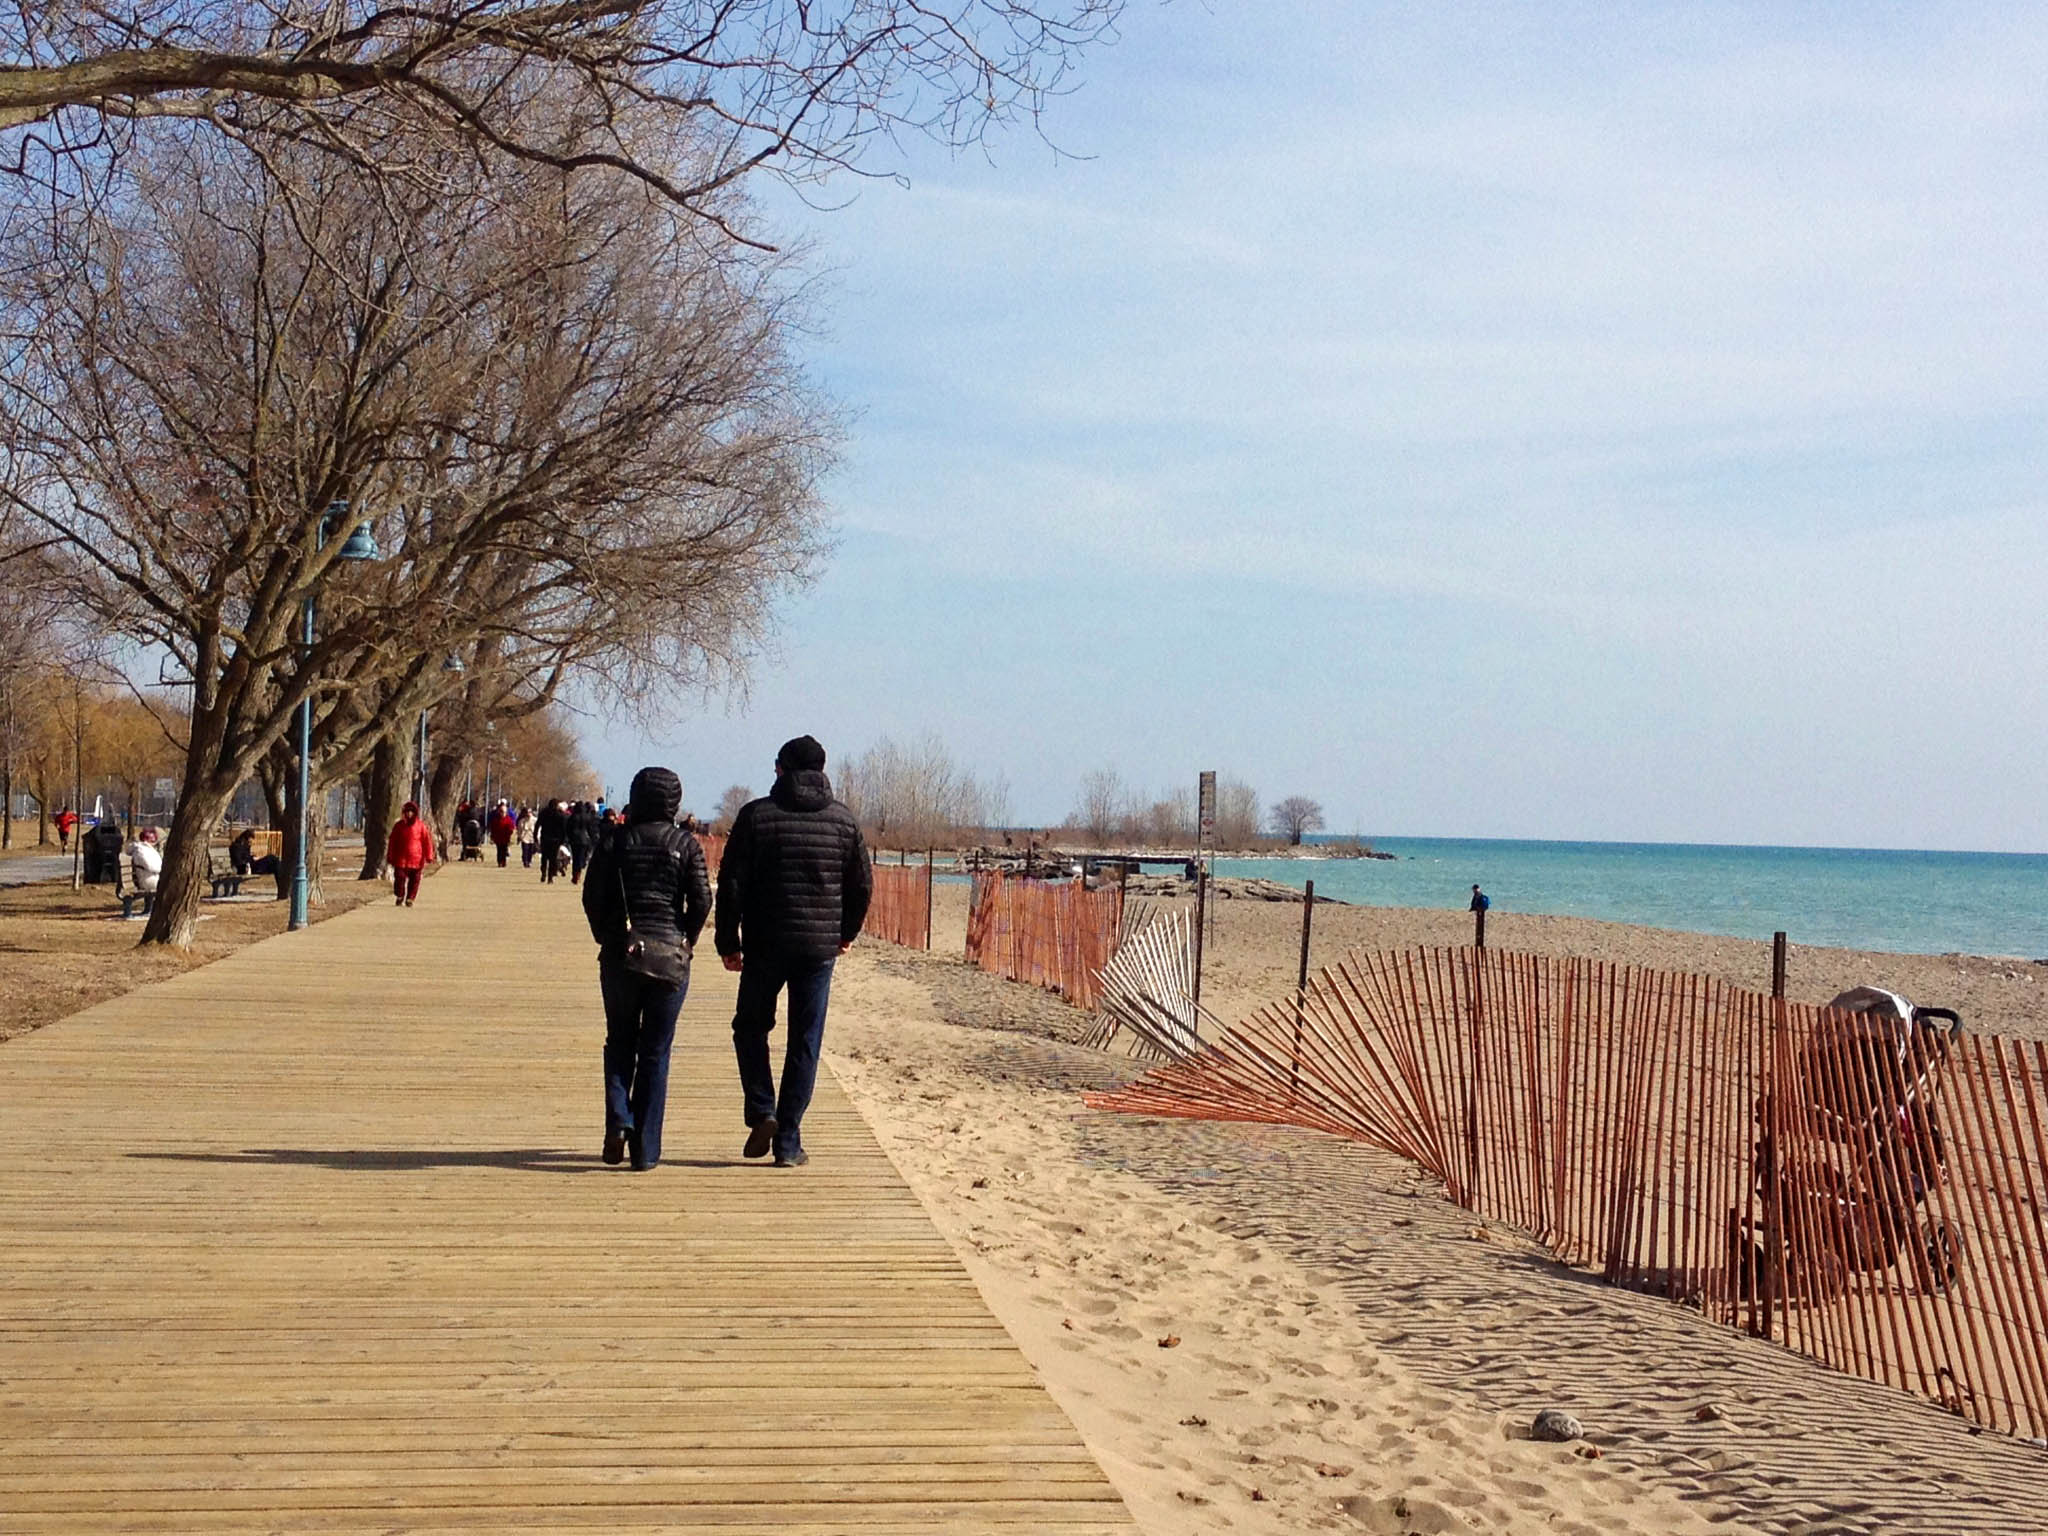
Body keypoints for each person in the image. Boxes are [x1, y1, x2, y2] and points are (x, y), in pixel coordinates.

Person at [715, 735, 872, 1168]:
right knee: (805, 1040)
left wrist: (728, 942)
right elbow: (861, 885)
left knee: (749, 1028)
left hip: (765, 943)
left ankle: (762, 1109)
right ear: (822, 772)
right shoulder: (843, 821)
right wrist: (846, 933)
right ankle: (788, 1140)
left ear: (782, 769)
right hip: (818, 948)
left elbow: (731, 884)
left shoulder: (755, 816)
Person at [582, 767, 711, 1172]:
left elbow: (592, 896)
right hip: (669, 957)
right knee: (655, 1051)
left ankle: (620, 1119)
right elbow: (703, 900)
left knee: (620, 1041)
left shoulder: (615, 841)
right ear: (674, 801)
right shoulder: (686, 844)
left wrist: (606, 936)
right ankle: (646, 1149)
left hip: (622, 955)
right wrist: (686, 939)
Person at [386, 800, 436, 905]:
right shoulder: (398, 826)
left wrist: (429, 855)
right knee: (399, 878)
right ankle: (400, 895)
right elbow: (392, 841)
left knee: (415, 880)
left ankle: (410, 898)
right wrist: (390, 856)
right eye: (407, 812)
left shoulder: (421, 826)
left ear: (415, 813)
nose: (409, 814)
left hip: (417, 859)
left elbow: (427, 841)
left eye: (411, 812)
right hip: (400, 859)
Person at [124, 827, 162, 914]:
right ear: (146, 838)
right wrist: (161, 870)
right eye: (152, 837)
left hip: (151, 877)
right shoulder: (141, 850)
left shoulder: (147, 849)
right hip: (147, 880)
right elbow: (151, 866)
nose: (154, 839)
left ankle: (151, 909)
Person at [566, 799, 600, 885]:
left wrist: (568, 838)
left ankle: (575, 874)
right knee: (581, 857)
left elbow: (568, 829)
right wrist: (593, 839)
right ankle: (578, 873)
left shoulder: (572, 817)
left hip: (574, 839)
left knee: (575, 857)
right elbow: (590, 829)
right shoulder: (587, 817)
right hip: (584, 839)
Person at [537, 798, 568, 883]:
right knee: (553, 859)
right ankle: (550, 877)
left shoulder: (543, 813)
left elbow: (537, 824)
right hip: (555, 840)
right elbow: (564, 829)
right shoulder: (560, 815)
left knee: (544, 857)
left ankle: (543, 873)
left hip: (545, 838)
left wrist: (535, 836)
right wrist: (563, 840)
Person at [489, 799, 515, 867]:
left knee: (504, 850)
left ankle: (504, 861)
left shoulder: (508, 819)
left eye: (503, 812)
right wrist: (492, 836)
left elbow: (511, 827)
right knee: (499, 850)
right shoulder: (496, 820)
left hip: (505, 837)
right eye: (501, 812)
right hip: (498, 838)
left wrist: (510, 833)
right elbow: (493, 828)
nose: (502, 813)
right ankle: (499, 862)